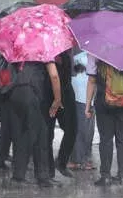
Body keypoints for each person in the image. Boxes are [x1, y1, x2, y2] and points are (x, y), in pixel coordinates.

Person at [7, 61, 62, 188]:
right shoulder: (42, 48)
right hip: (31, 92)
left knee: (22, 133)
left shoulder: (19, 47)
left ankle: (19, 174)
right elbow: (54, 75)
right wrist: (57, 99)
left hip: (15, 92)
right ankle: (40, 177)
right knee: (40, 134)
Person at [85, 55, 123, 186]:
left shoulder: (95, 51)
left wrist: (87, 105)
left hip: (103, 100)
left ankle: (106, 176)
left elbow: (92, 80)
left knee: (106, 139)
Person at [46, 51, 77, 179]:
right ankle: (49, 171)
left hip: (66, 92)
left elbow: (70, 72)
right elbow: (52, 75)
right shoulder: (43, 46)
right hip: (47, 93)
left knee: (72, 129)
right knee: (47, 134)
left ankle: (61, 162)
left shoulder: (66, 47)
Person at [68, 52, 96, 171]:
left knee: (85, 128)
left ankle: (81, 159)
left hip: (86, 94)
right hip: (81, 93)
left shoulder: (88, 51)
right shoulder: (81, 52)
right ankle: (78, 160)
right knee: (82, 128)